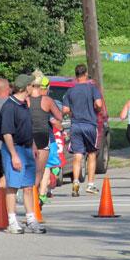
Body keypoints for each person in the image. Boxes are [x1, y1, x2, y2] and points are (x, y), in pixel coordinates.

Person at [0, 74, 44, 234]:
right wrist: (13, 155)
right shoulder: (9, 106)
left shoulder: (24, 105)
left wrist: (32, 145)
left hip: (26, 149)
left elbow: (26, 128)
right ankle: (12, 221)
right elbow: (7, 133)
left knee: (27, 186)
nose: (35, 88)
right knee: (12, 186)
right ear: (26, 87)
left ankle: (31, 220)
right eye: (33, 85)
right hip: (15, 149)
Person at [62, 64, 104, 197]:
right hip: (90, 125)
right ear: (85, 74)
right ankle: (90, 185)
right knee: (91, 154)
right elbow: (99, 104)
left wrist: (74, 112)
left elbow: (65, 110)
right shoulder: (92, 88)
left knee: (77, 155)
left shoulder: (70, 91)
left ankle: (75, 183)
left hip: (75, 126)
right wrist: (96, 109)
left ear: (76, 76)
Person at [28, 73, 62, 207]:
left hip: (28, 136)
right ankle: (39, 197)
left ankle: (31, 195)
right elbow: (59, 116)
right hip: (43, 136)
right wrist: (50, 116)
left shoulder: (26, 100)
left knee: (30, 168)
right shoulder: (47, 100)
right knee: (42, 169)